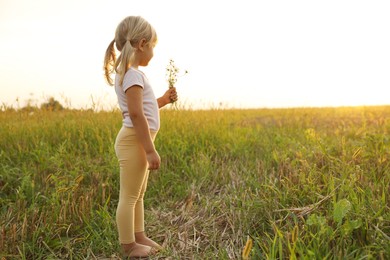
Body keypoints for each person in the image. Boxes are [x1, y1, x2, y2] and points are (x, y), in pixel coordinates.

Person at [103, 16, 177, 258]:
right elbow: (136, 115)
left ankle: (139, 235)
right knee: (129, 195)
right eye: (153, 45)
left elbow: (143, 108)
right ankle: (128, 245)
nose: (153, 51)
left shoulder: (131, 74)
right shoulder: (133, 75)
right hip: (134, 142)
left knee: (138, 194)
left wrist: (164, 101)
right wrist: (149, 149)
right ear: (142, 44)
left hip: (136, 140)